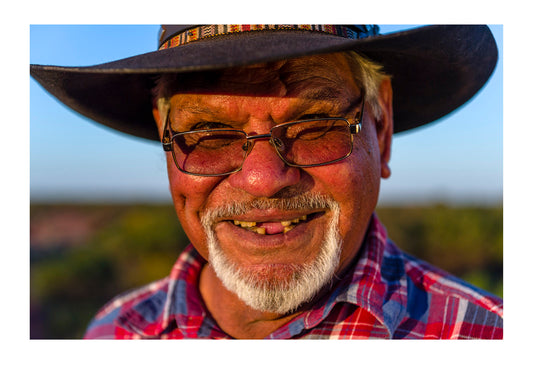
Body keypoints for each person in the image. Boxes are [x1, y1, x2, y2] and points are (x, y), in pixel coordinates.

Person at [30, 24, 503, 339]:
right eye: (209, 132)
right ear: (165, 135)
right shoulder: (114, 334)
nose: (262, 179)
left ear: (381, 128)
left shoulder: (487, 338)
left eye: (316, 124)